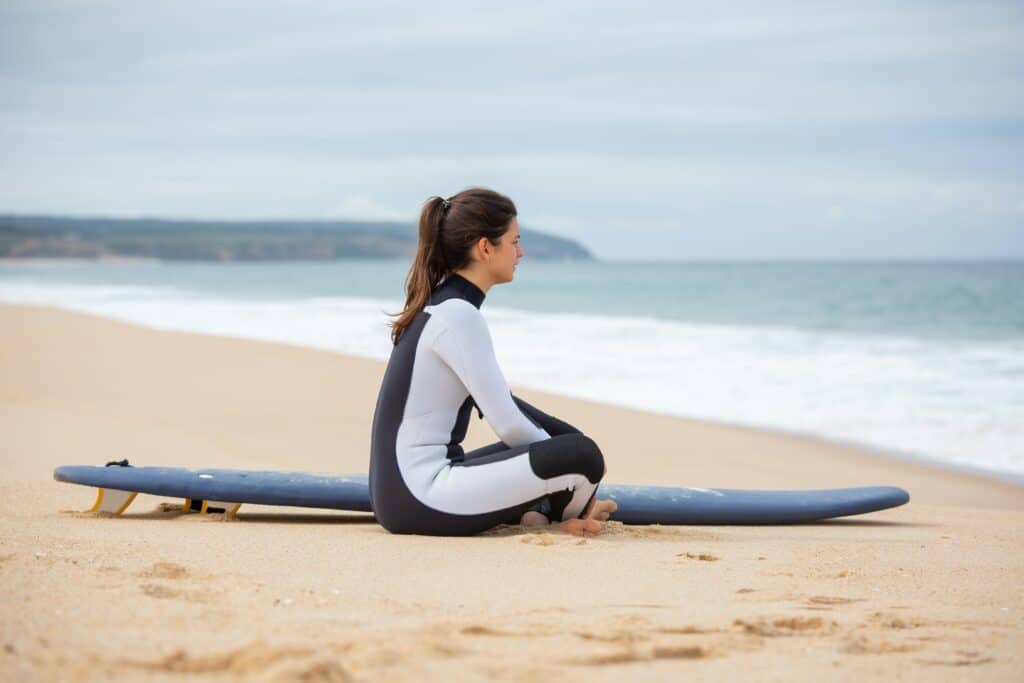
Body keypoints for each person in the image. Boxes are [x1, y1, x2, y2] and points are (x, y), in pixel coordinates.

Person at [369, 188, 617, 536]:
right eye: (514, 242)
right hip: (419, 498)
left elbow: (506, 404)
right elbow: (510, 424)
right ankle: (573, 514)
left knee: (569, 444)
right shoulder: (457, 315)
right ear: (485, 248)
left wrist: (565, 441)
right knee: (584, 457)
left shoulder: (443, 306)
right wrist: (576, 462)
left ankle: (544, 513)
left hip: (402, 495)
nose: (521, 252)